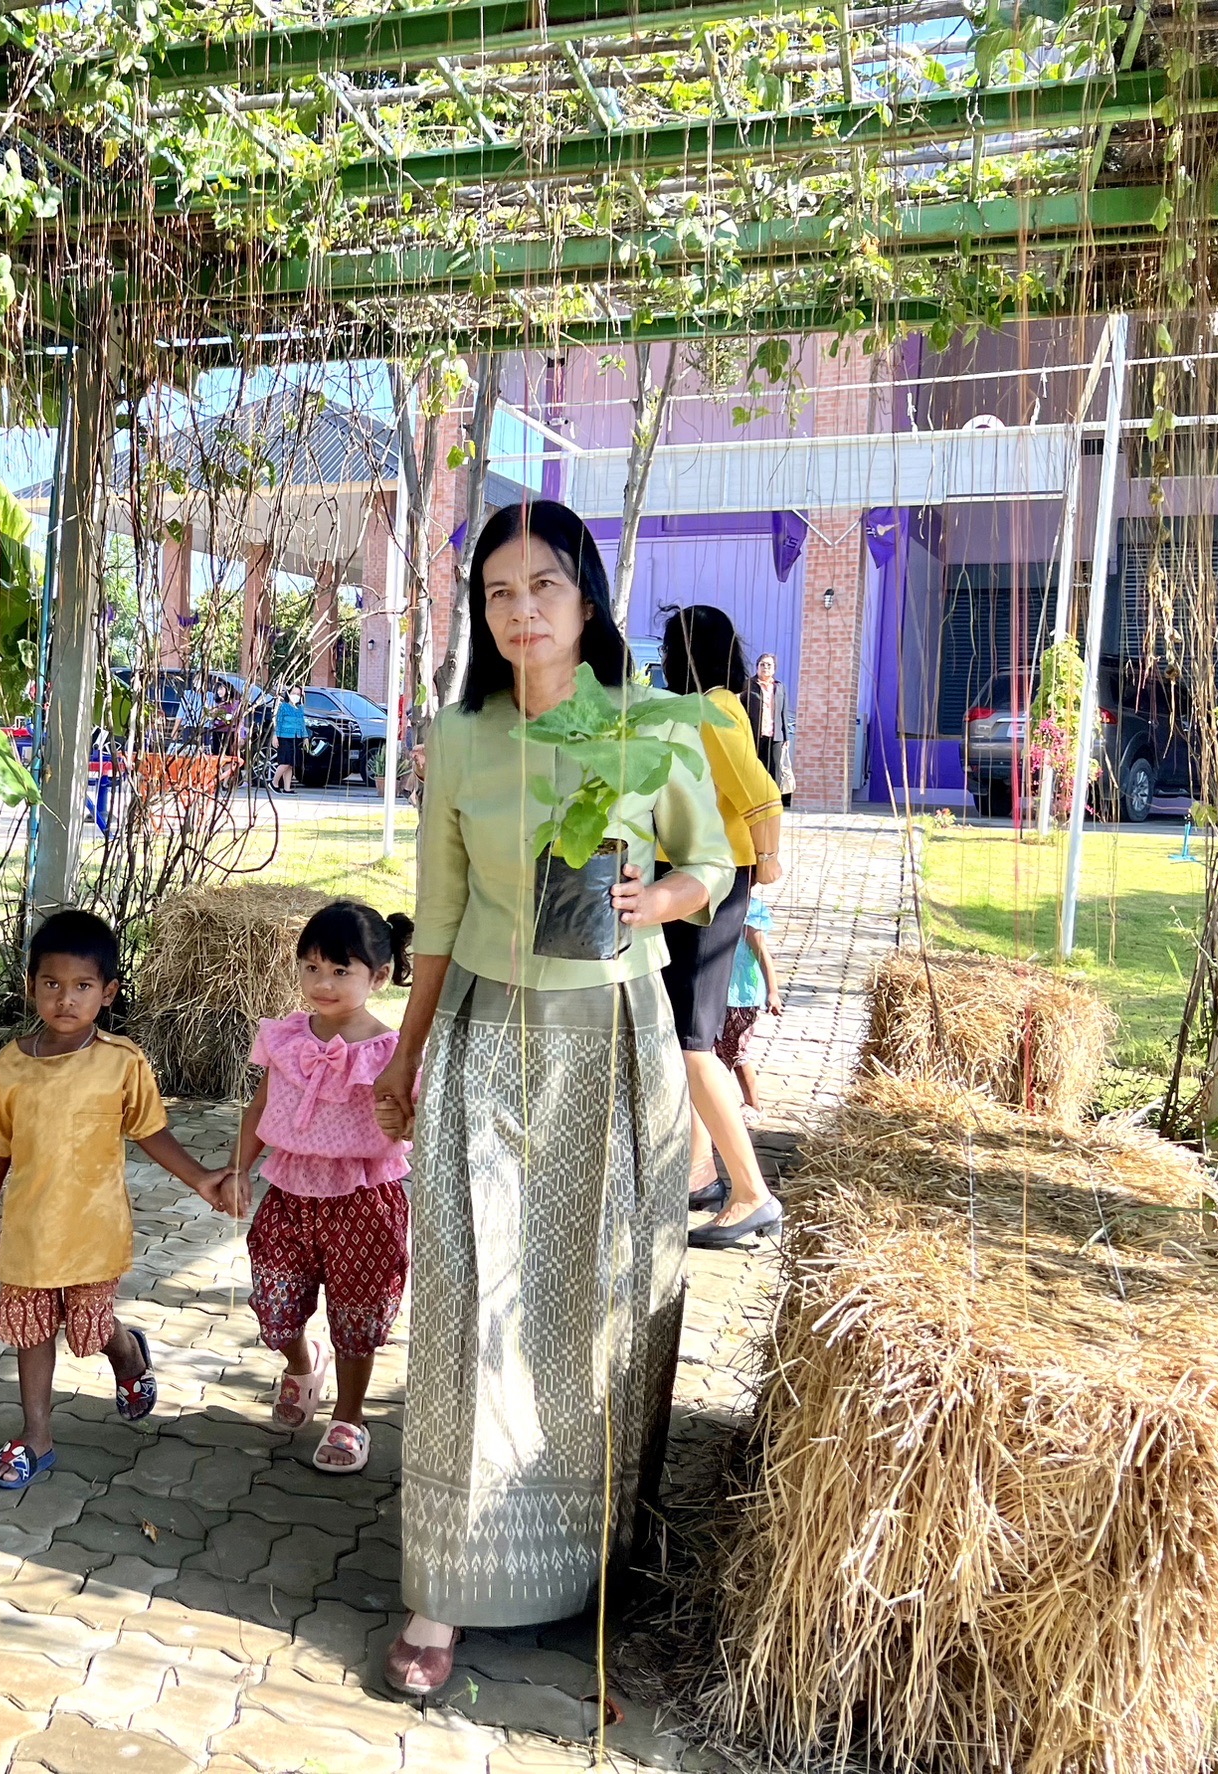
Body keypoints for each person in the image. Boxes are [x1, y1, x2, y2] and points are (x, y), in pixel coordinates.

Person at [368, 499, 734, 1695]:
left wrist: (658, 903)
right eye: (497, 593)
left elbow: (713, 860)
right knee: (476, 1290)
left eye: (543, 587)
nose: (520, 611)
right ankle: (448, 1583)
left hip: (611, 1041)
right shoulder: (458, 736)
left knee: (597, 1291)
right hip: (484, 1032)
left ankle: (592, 1557)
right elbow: (432, 915)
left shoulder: (649, 725)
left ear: (586, 597)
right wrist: (404, 1055)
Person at [0, 910, 241, 1490]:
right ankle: (36, 1438)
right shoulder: (11, 1064)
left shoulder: (121, 1062)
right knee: (31, 1329)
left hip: (93, 1231)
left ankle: (127, 1357)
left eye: (82, 987)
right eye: (51, 984)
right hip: (28, 1228)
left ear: (108, 992)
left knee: (87, 1329)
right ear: (31, 986)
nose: (65, 999)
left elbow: (150, 1132)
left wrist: (202, 1180)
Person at [227, 900, 414, 1478]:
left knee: (358, 1312)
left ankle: (350, 1416)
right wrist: (236, 1169)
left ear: (378, 977)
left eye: (340, 970)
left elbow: (413, 1117)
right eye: (311, 967)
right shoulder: (286, 1037)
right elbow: (262, 1105)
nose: (322, 983)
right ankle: (302, 1364)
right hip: (289, 1192)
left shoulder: (393, 1050)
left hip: (365, 1200)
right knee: (276, 1298)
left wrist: (404, 1122)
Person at [659, 607, 786, 1249]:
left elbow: (759, 790)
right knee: (686, 1034)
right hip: (697, 878)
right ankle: (701, 1172)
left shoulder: (710, 708)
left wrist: (768, 857)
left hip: (712, 880)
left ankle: (750, 1191)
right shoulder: (713, 705)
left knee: (692, 1039)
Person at [715, 890, 782, 1115]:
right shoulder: (715, 904)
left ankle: (753, 1103)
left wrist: (773, 991)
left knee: (734, 1048)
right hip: (719, 991)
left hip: (741, 995)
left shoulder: (748, 913)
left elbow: (763, 954)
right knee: (719, 1048)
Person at [745, 652, 794, 809]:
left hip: (775, 736)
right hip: (754, 735)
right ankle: (754, 800)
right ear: (757, 667)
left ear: (774, 669)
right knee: (755, 767)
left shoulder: (779, 687)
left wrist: (786, 737)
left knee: (775, 769)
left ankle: (773, 802)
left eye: (769, 665)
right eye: (762, 664)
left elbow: (783, 712)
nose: (765, 667)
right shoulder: (748, 685)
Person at [273, 690, 308, 793]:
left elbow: (302, 723)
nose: (296, 696)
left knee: (290, 764)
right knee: (284, 762)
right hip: (284, 737)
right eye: (294, 693)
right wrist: (275, 735)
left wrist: (305, 737)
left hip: (296, 737)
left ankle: (287, 788)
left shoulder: (300, 708)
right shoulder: (283, 706)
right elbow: (278, 722)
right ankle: (274, 783)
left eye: (298, 694)